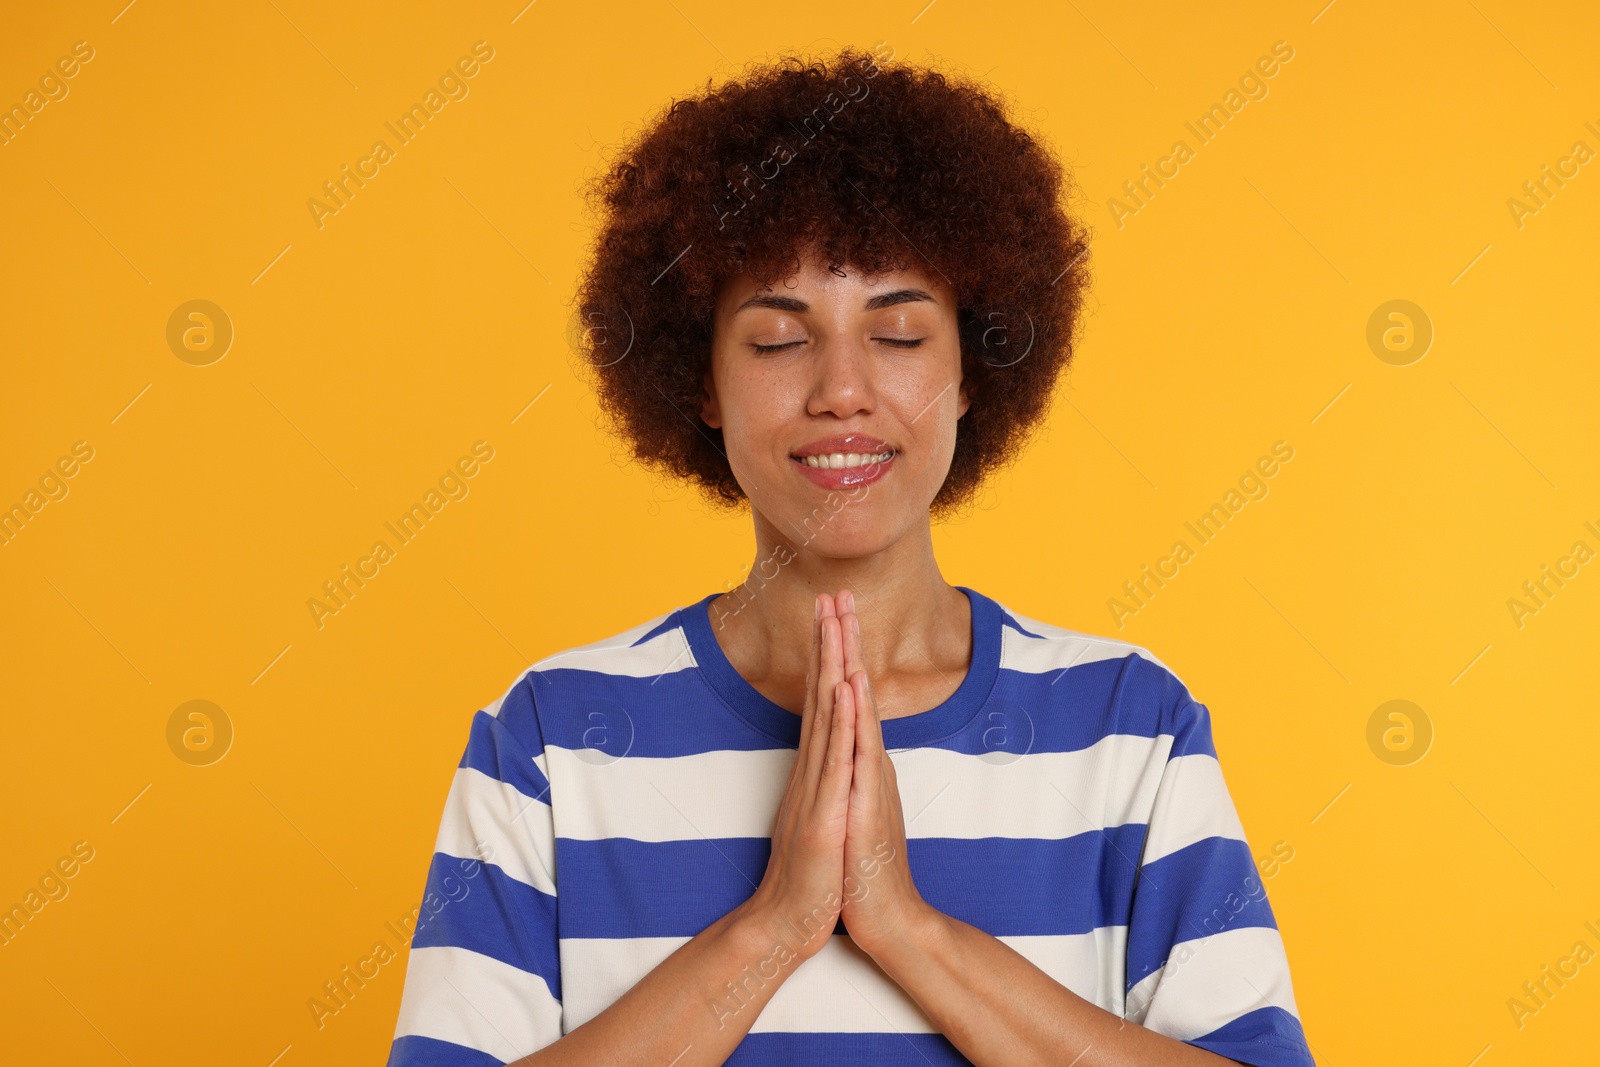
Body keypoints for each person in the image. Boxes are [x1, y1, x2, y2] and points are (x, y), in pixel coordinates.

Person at [385, 44, 1315, 1067]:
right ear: (700, 383)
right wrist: (776, 922)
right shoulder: (548, 740)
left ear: (972, 370)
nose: (841, 388)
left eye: (901, 335)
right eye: (779, 340)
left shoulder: (1128, 724)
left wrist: (906, 928)